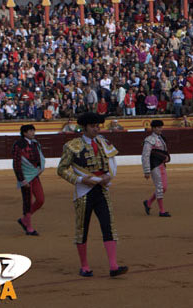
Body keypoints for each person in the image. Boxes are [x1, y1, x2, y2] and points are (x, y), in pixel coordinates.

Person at [57, 112, 128, 278]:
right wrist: (81, 179)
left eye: (98, 126)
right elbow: (61, 169)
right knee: (82, 229)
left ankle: (113, 266)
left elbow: (111, 165)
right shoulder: (72, 146)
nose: (97, 129)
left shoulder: (104, 143)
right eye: (93, 126)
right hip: (83, 192)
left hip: (102, 190)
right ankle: (85, 266)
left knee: (108, 226)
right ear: (84, 127)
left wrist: (108, 176)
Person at [13, 124, 45, 236]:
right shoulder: (18, 145)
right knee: (27, 201)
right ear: (25, 133)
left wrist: (40, 167)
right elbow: (16, 164)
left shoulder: (35, 143)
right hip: (25, 177)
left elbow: (39, 156)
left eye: (33, 130)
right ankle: (29, 227)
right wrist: (22, 180)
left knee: (40, 199)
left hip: (34, 174)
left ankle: (24, 219)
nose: (33, 133)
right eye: (30, 131)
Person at [142, 120, 171, 217]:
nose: (160, 129)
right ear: (153, 128)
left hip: (162, 165)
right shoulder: (149, 140)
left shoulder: (161, 138)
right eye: (158, 127)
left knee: (164, 187)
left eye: (161, 127)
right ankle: (162, 211)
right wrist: (146, 170)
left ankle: (149, 202)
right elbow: (145, 156)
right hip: (154, 165)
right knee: (160, 187)